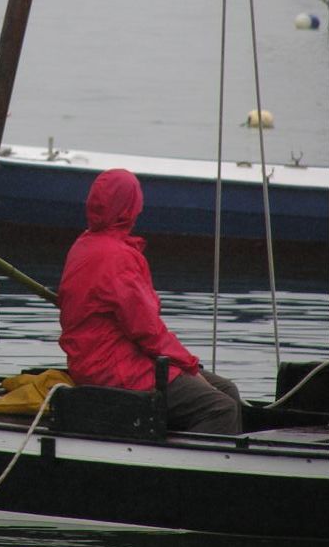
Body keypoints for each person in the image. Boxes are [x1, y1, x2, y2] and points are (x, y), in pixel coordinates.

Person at [57, 168, 242, 434]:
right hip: (116, 369)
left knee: (227, 389)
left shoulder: (83, 245)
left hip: (93, 362)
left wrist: (184, 365)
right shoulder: (118, 257)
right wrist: (188, 364)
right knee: (221, 407)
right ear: (130, 207)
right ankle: (193, 469)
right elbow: (146, 330)